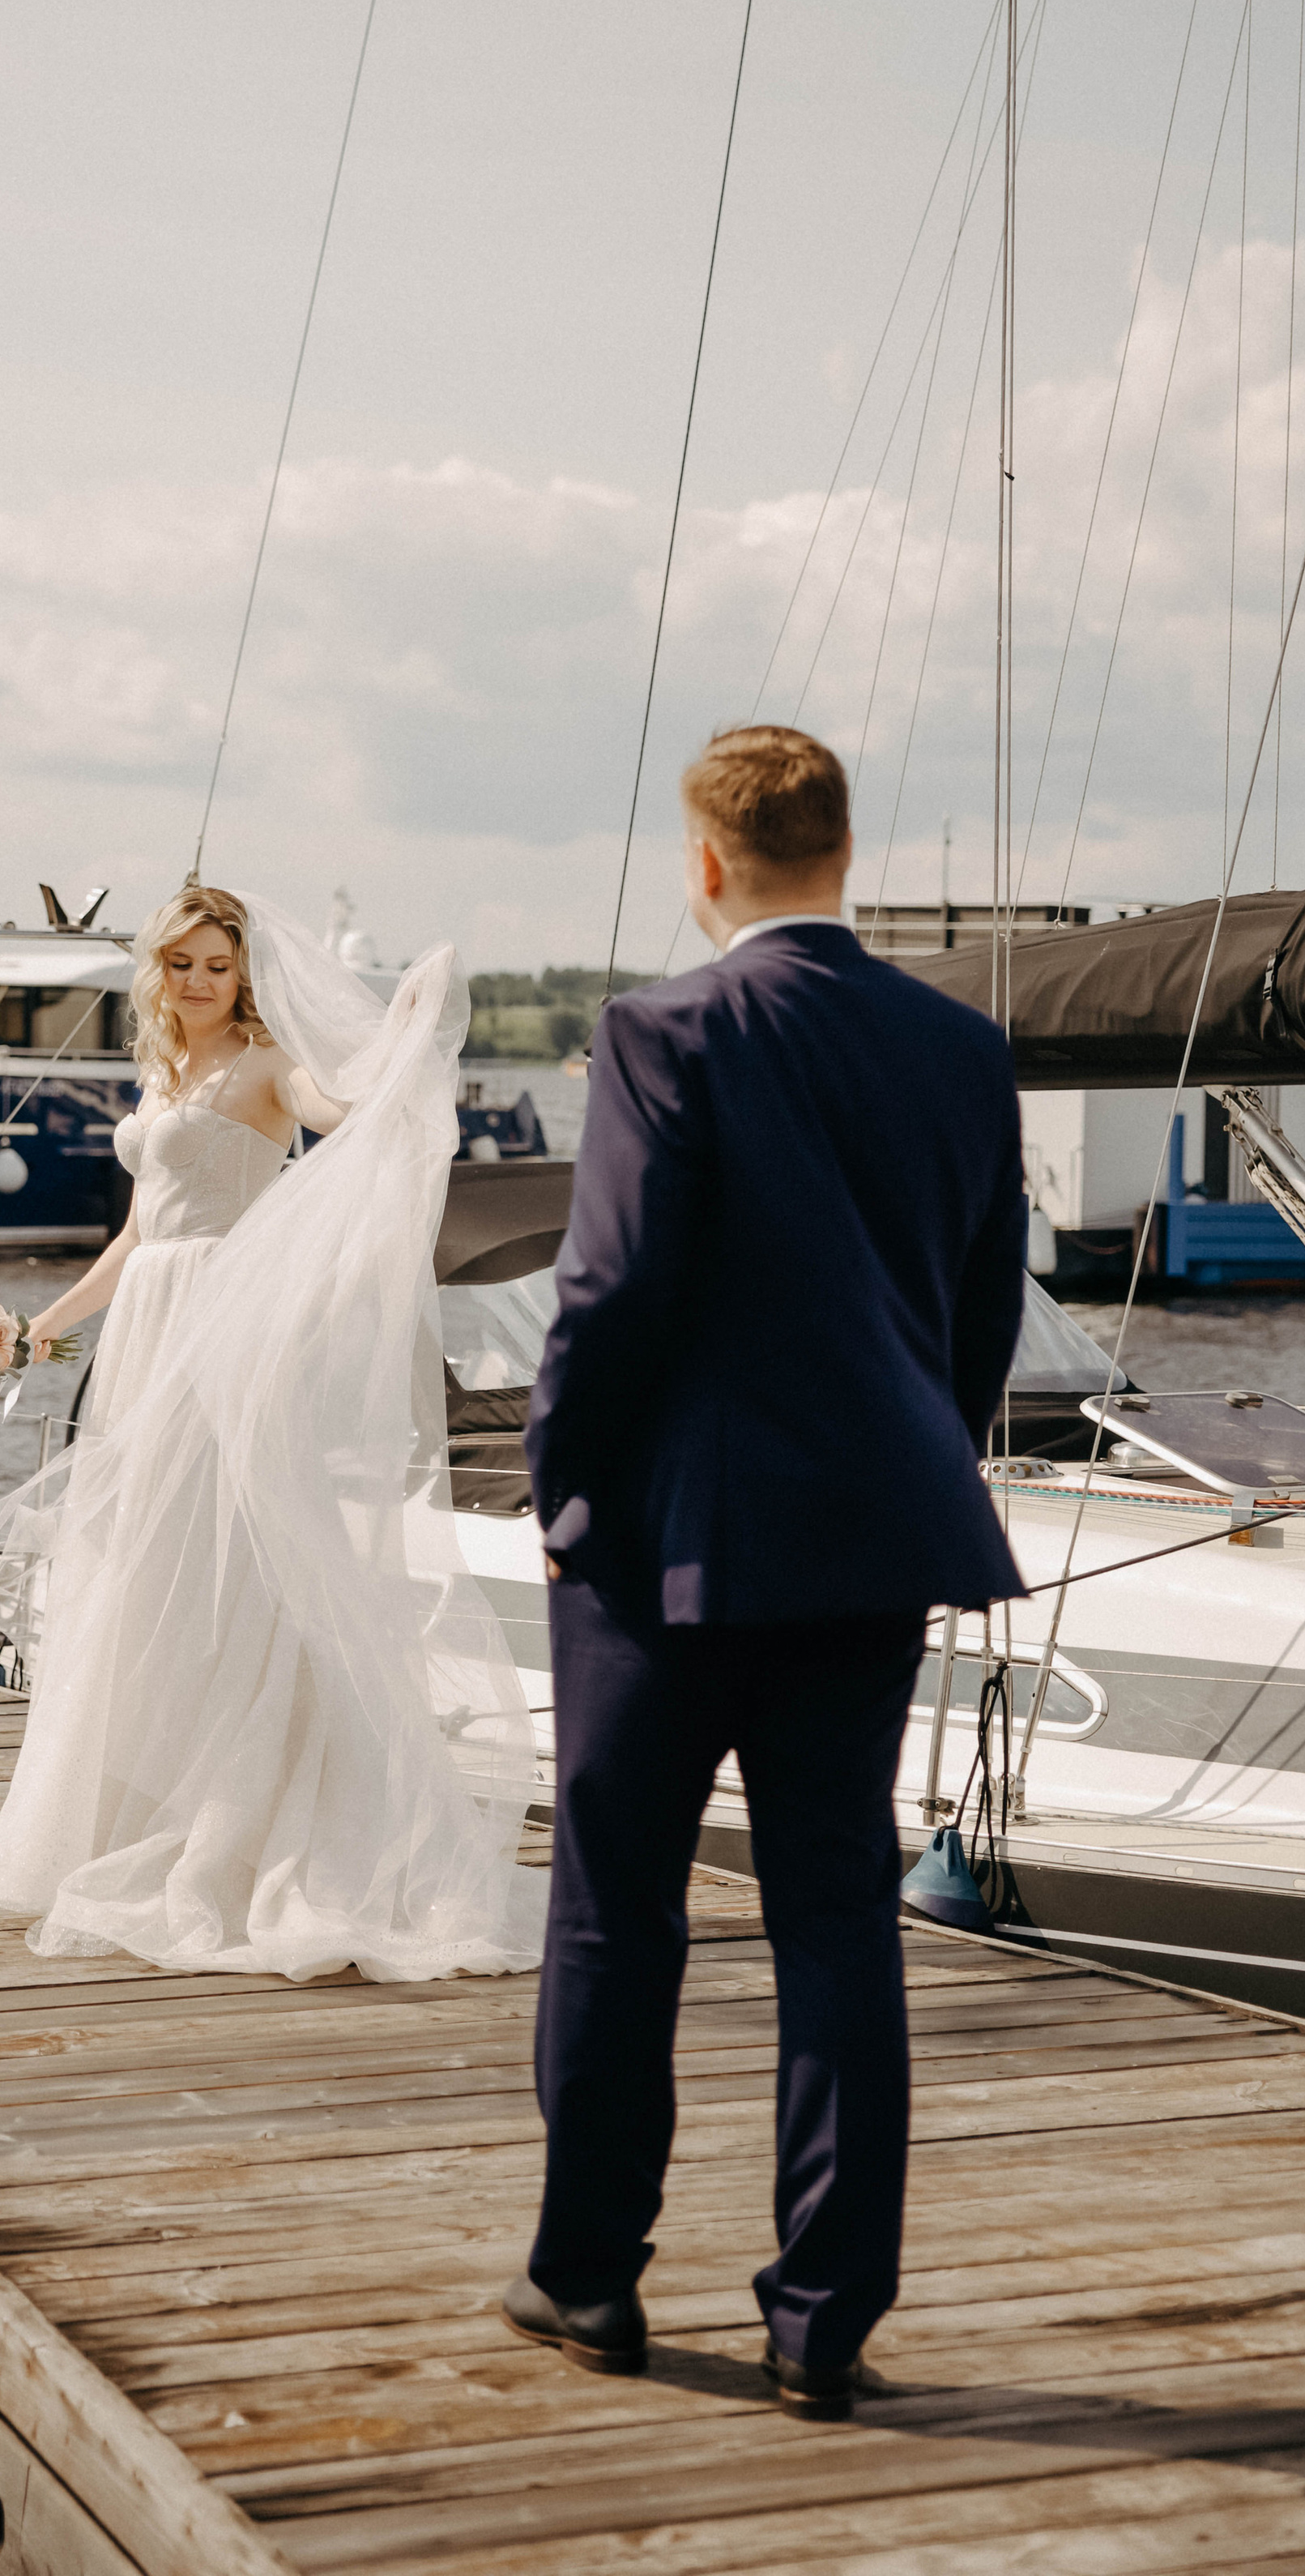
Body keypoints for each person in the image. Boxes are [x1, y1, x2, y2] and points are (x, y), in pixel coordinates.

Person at [503, 724, 1025, 2413]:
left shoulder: (664, 1031)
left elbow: (610, 1293)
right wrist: (908, 1469)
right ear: (842, 855)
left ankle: (586, 2278)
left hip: (660, 1556)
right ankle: (822, 2327)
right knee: (833, 1922)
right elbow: (978, 1309)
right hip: (868, 1551)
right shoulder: (957, 1048)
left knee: (615, 1918)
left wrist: (558, 1487)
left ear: (707, 864)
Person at [0, 882, 545, 1984]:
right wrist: (38, 1332)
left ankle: (249, 1830)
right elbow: (140, 1235)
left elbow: (349, 1109)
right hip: (148, 1330)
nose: (196, 983)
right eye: (180, 963)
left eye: (216, 966)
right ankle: (129, 1816)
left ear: (245, 976)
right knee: (144, 1566)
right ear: (157, 968)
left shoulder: (269, 1067)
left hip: (225, 1333)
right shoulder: (159, 1070)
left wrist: (408, 1033)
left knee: (238, 1568)